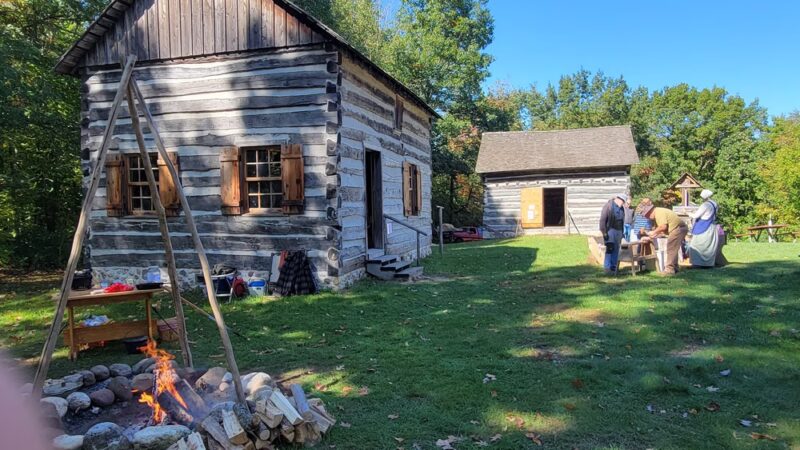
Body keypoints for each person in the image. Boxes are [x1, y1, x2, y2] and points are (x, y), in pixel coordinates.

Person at [641, 203, 688, 275]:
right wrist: (651, 236)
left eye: (647, 216)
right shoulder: (659, 212)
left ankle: (669, 269)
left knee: (671, 248)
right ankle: (675, 268)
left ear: (650, 212)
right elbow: (662, 230)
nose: (648, 218)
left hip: (678, 229)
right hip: (679, 228)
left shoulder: (659, 213)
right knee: (673, 248)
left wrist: (654, 232)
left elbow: (663, 227)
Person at [687, 189, 727, 267]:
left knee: (697, 245)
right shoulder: (714, 203)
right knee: (709, 246)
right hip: (712, 226)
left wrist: (687, 212)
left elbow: (696, 216)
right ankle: (708, 263)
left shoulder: (705, 205)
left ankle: (698, 264)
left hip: (703, 227)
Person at [599, 194, 627, 274]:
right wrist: (604, 232)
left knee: (616, 249)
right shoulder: (608, 206)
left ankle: (614, 268)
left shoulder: (621, 208)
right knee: (610, 248)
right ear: (619, 199)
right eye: (623, 202)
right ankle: (607, 268)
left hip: (619, 231)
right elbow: (602, 220)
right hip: (610, 230)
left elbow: (622, 220)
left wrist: (622, 233)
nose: (623, 204)